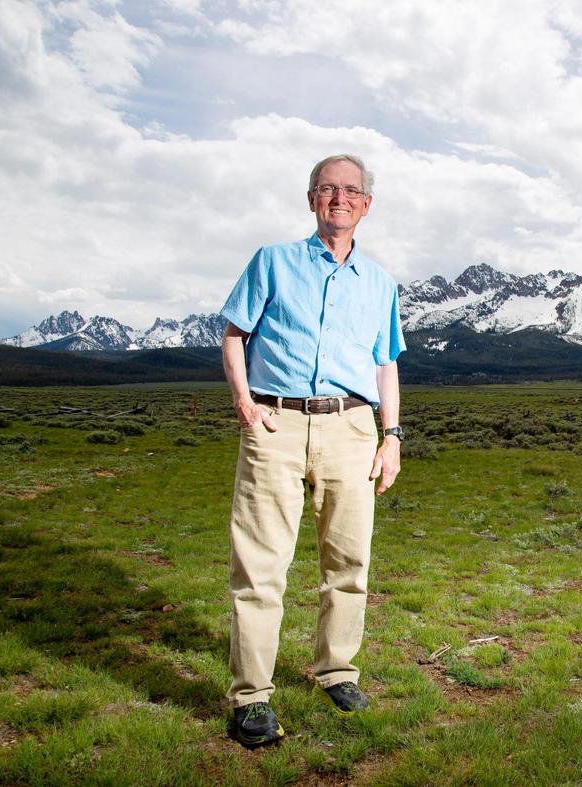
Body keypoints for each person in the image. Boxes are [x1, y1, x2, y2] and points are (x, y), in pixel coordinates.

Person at [218, 154, 406, 748]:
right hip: (276, 423)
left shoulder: (380, 283)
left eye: (351, 190)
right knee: (261, 567)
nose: (339, 198)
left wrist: (392, 437)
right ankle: (251, 696)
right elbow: (233, 334)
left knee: (349, 564)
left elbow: (386, 363)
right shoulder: (272, 262)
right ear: (311, 200)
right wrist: (247, 407)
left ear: (366, 205)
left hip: (351, 428)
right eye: (328, 189)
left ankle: (336, 670)